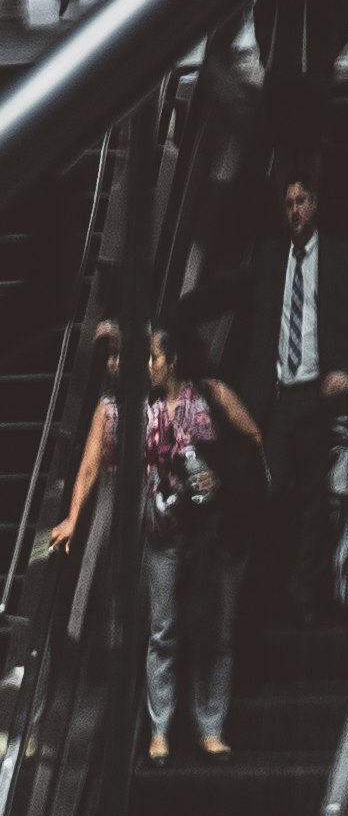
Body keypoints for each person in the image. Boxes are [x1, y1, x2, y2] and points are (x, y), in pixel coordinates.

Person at [48, 313, 260, 757]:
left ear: (172, 359)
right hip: (162, 534)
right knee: (163, 630)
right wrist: (72, 517)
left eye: (153, 356)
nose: (145, 365)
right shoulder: (122, 409)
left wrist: (237, 487)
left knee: (216, 631)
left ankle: (210, 727)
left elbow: (253, 440)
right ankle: (160, 729)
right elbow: (88, 465)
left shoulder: (209, 395)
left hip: (215, 533)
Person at [226, 162, 348, 621]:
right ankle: (269, 584)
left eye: (302, 201)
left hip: (318, 396)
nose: (294, 210)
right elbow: (227, 292)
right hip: (278, 398)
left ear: (316, 204)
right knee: (271, 489)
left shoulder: (344, 260)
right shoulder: (272, 260)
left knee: (317, 499)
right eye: (288, 203)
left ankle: (302, 595)